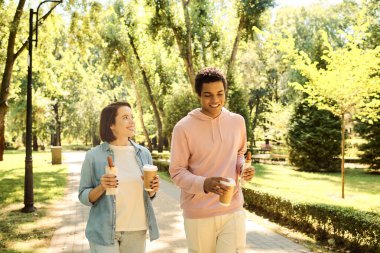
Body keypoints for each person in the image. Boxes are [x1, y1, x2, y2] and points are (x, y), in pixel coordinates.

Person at [169, 67, 255, 253]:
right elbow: (176, 171)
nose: (215, 100)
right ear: (198, 94)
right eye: (208, 95)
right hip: (198, 213)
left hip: (232, 208)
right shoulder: (183, 128)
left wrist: (243, 168)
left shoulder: (237, 121)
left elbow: (239, 153)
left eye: (220, 94)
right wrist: (204, 184)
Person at [78, 102, 159, 253]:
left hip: (136, 230)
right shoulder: (94, 156)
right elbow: (83, 195)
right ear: (111, 125)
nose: (132, 121)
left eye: (132, 117)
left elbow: (149, 194)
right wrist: (101, 187)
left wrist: (153, 190)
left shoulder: (144, 154)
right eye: (125, 117)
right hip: (104, 231)